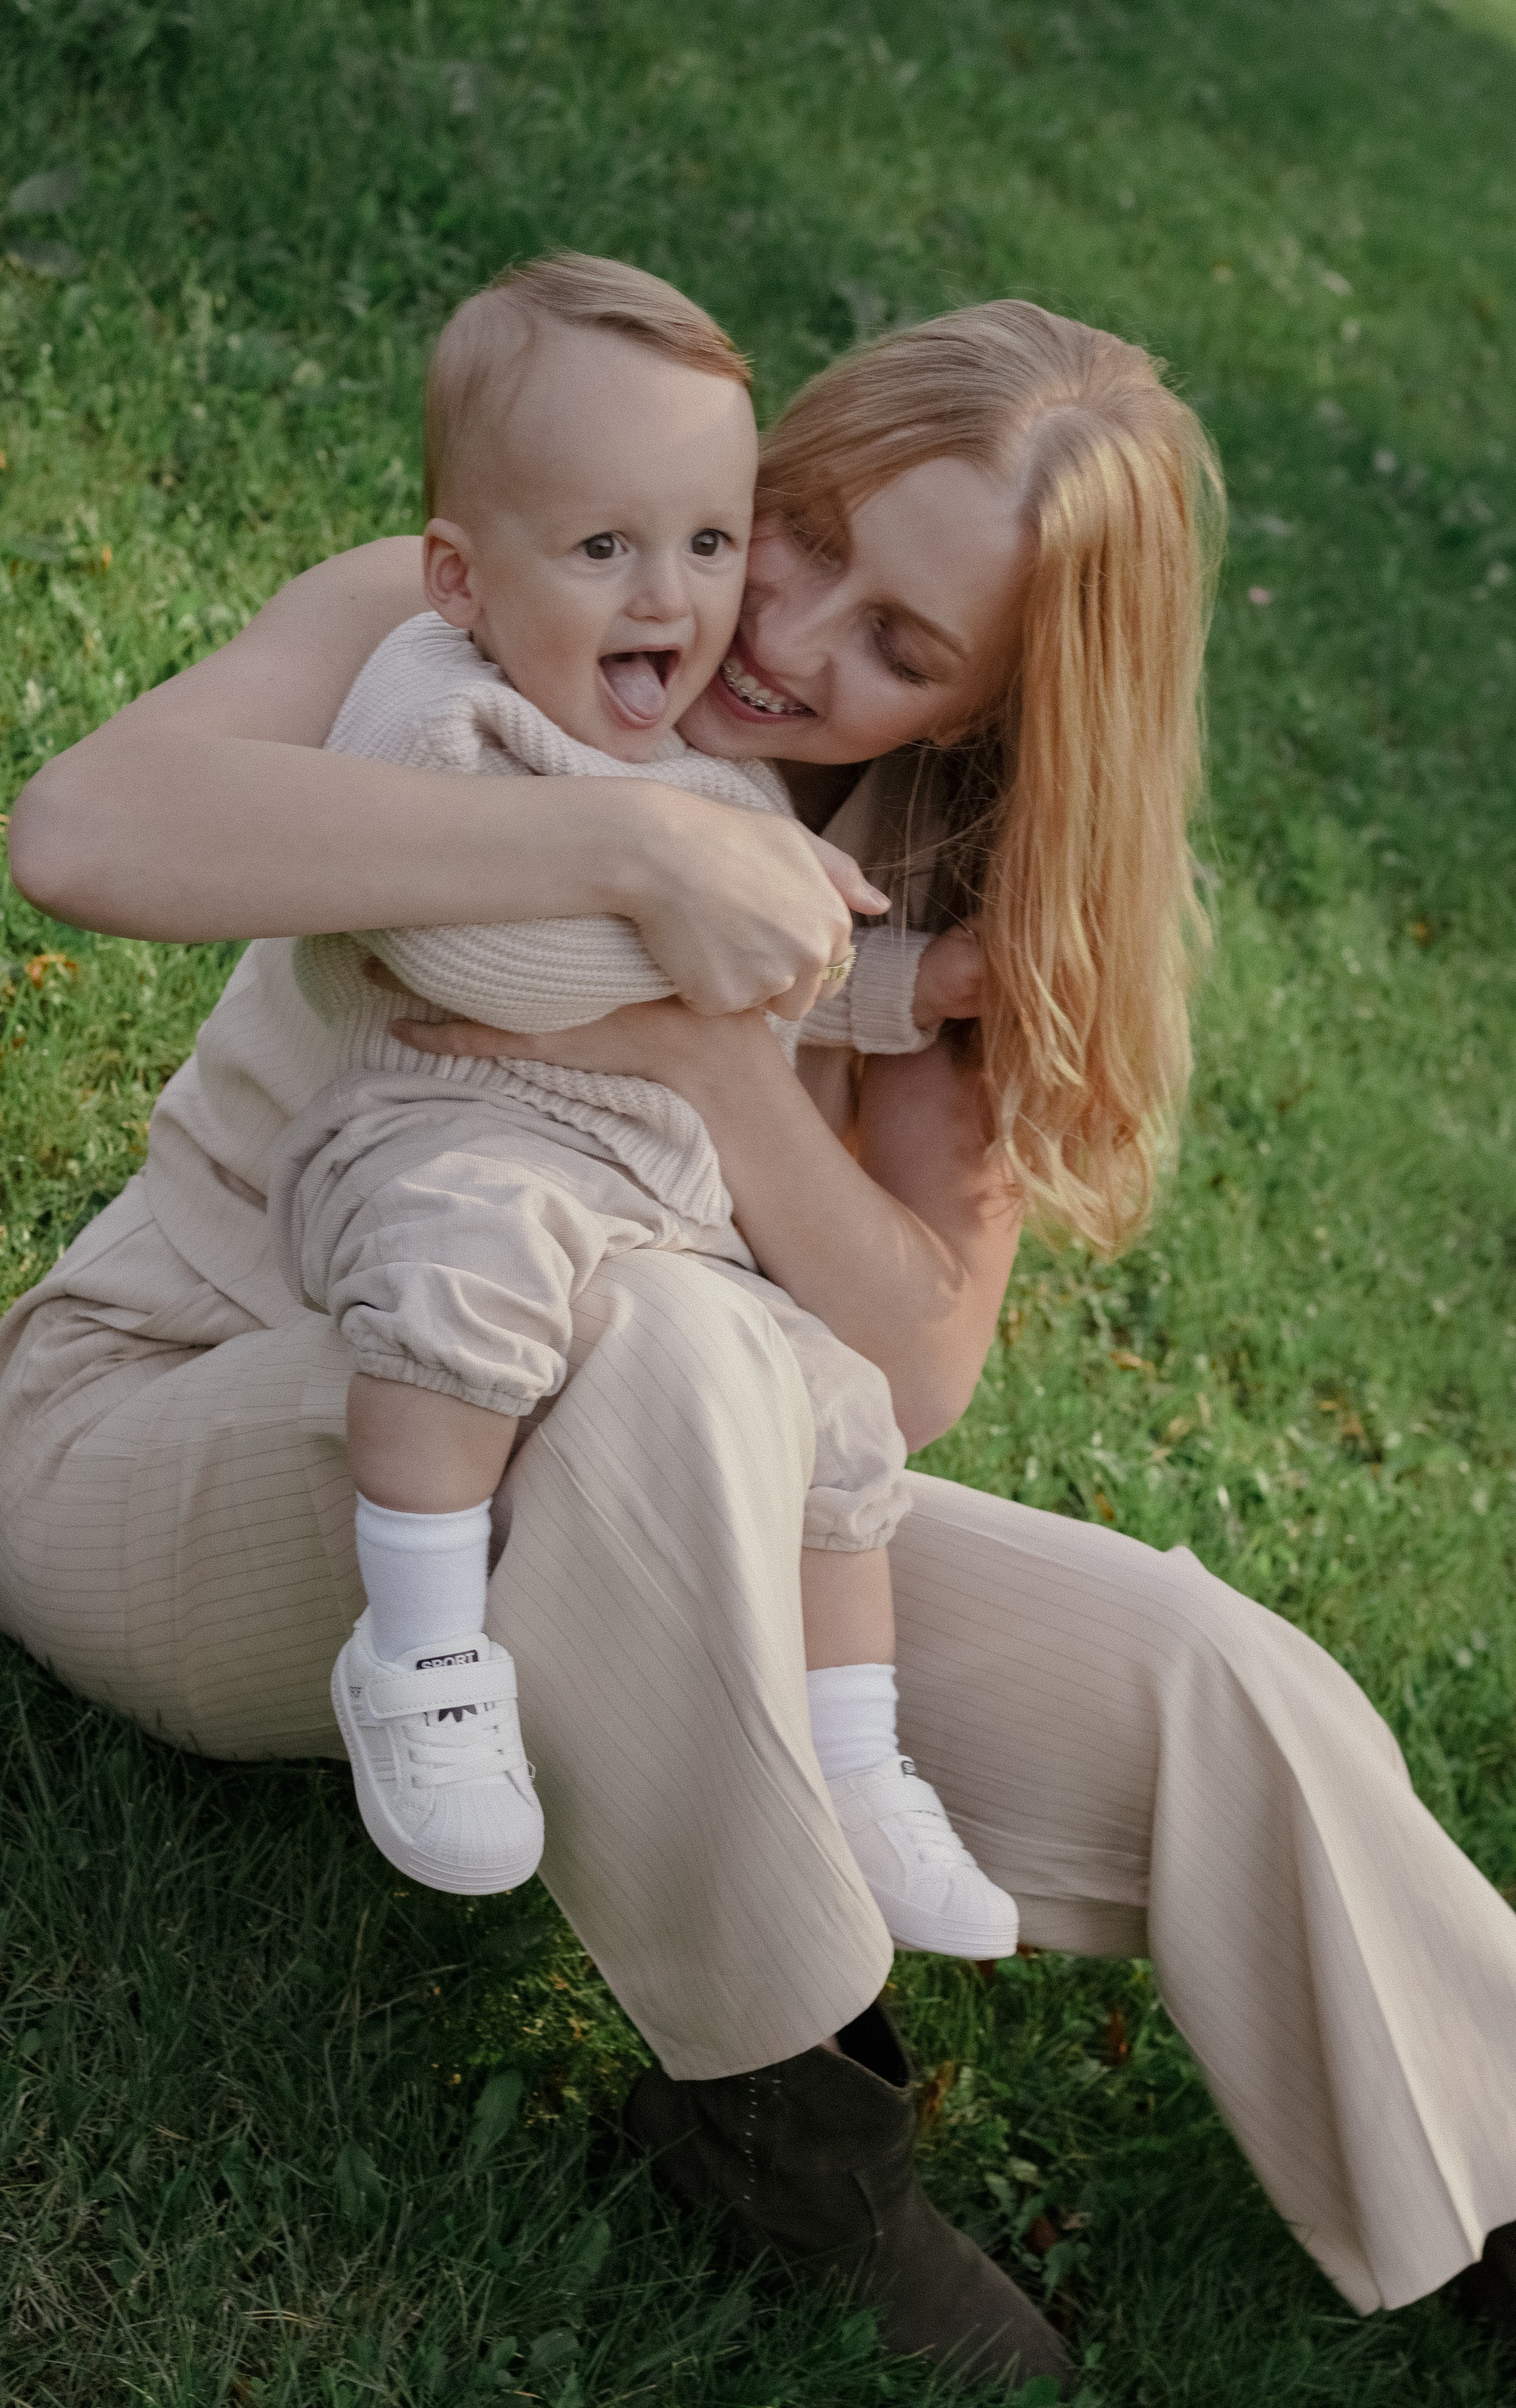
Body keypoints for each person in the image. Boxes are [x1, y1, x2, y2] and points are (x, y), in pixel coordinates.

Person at [7, 297, 1516, 2399]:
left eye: (903, 640)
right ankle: (790, 2122)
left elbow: (914, 1369)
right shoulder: (473, 626)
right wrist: (627, 839)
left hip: (645, 1487)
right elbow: (83, 836)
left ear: (1005, 701)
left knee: (1212, 1673)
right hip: (181, 1425)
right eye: (810, 529)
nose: (789, 630)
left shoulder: (948, 894)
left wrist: (714, 1055)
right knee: (656, 1333)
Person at [253, 248, 1014, 1956]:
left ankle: (854, 1762)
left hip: (643, 1199)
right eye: (607, 550)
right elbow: (485, 955)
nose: (676, 602)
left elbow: (789, 948)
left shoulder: (697, 759)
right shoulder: (448, 705)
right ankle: (423, 1650)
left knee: (835, 1406)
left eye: (704, 545)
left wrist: (927, 988)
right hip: (439, 1140)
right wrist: (659, 890)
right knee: (478, 1270)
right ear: (465, 570)